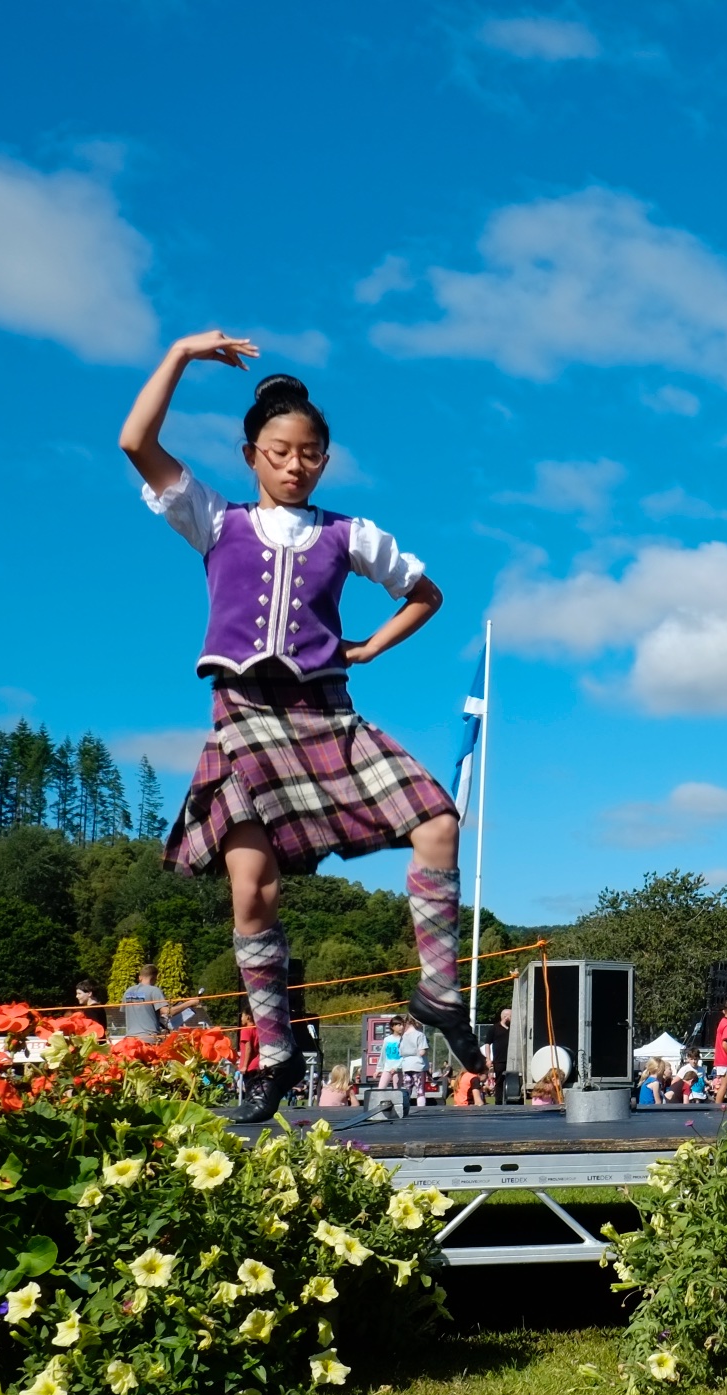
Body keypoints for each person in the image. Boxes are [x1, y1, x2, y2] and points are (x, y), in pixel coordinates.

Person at [120, 333, 490, 1121]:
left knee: (437, 821)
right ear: (251, 455)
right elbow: (136, 442)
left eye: (311, 454)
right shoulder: (215, 519)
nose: (297, 466)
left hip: (327, 712)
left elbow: (426, 594)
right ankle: (278, 1053)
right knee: (253, 888)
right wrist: (180, 354)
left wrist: (371, 646)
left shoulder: (347, 533)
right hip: (246, 715)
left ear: (326, 459)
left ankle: (439, 989)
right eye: (281, 452)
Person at [121, 963, 170, 1039]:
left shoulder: (128, 991)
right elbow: (167, 1012)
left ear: (140, 977)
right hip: (149, 1038)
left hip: (130, 1039)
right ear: (155, 977)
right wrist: (188, 1003)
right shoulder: (154, 991)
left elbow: (127, 1012)